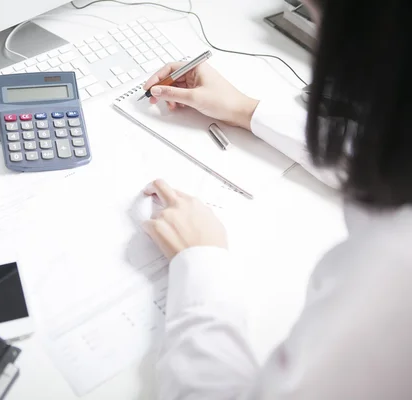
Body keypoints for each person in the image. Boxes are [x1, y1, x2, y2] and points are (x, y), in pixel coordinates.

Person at [141, 0, 412, 399]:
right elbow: (388, 158)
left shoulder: (391, 273)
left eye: (320, 23)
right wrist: (244, 110)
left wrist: (200, 263)